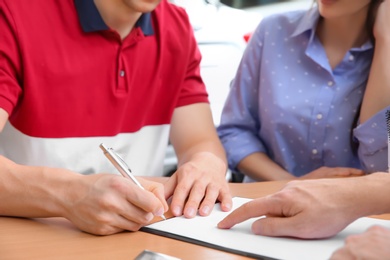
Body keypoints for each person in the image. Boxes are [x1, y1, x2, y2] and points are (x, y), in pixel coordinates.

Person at [0, 0, 232, 235]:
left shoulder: (176, 25)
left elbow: (200, 141)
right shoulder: (13, 13)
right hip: (33, 239)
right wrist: (68, 195)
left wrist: (206, 164)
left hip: (140, 237)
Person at [217, 0, 388, 182]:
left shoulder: (385, 52)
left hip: (355, 209)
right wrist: (291, 184)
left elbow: (381, 165)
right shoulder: (273, 31)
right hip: (267, 203)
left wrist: (387, 41)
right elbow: (234, 132)